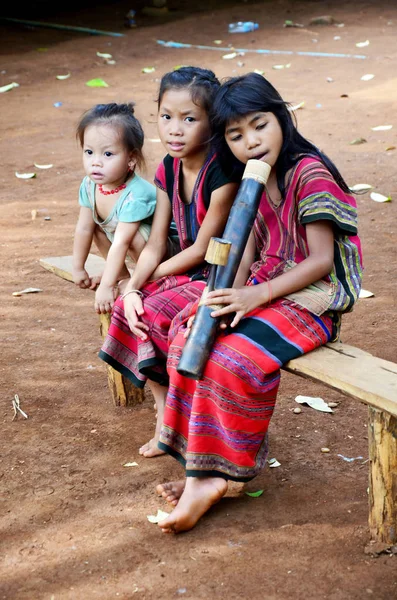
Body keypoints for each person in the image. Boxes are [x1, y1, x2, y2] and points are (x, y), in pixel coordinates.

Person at [155, 72, 363, 533]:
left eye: (259, 125)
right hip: (265, 289)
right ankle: (202, 468)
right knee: (189, 335)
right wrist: (219, 293)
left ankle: (215, 479)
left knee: (230, 359)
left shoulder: (307, 172)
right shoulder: (251, 178)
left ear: (283, 119)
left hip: (313, 301)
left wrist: (254, 295)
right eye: (235, 134)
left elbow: (322, 261)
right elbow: (244, 248)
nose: (250, 141)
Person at [99, 67, 240, 457]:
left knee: (159, 314)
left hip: (219, 272)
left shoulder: (222, 172)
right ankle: (164, 415)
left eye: (189, 119)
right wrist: (132, 287)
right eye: (166, 116)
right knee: (132, 309)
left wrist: (143, 283)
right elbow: (157, 241)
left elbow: (201, 250)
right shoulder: (167, 167)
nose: (174, 129)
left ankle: (187, 423)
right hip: (181, 265)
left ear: (213, 124)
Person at [72, 102, 157, 314]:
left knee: (133, 235)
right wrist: (78, 267)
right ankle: (122, 277)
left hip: (160, 253)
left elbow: (122, 242)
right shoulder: (89, 185)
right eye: (89, 152)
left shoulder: (136, 194)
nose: (96, 162)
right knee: (95, 228)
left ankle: (144, 280)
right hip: (123, 242)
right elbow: (83, 228)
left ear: (131, 158)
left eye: (108, 154)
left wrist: (106, 285)